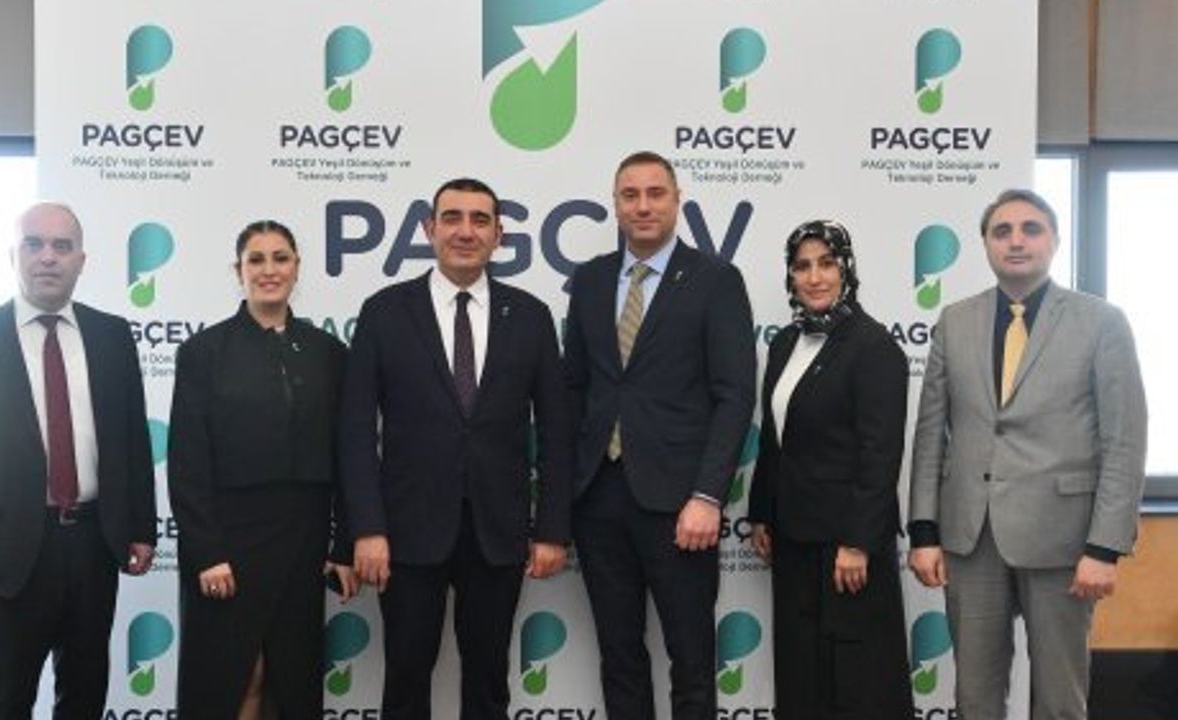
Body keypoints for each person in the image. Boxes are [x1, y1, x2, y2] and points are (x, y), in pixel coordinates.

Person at [909, 189, 1148, 720]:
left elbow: (1124, 441)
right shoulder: (955, 320)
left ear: (1055, 241)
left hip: (1064, 542)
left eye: (1031, 229)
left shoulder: (1102, 322)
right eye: (1002, 231)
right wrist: (924, 531)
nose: (1016, 241)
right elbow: (930, 434)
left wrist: (1105, 547)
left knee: (1060, 700)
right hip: (971, 539)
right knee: (974, 698)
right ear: (986, 245)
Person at [340, 178, 571, 720]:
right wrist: (366, 528)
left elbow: (556, 432)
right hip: (405, 534)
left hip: (498, 532)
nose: (466, 231)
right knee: (405, 680)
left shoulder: (530, 316)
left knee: (489, 682)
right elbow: (354, 430)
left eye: (480, 220)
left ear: (499, 235)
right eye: (452, 218)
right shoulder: (385, 311)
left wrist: (552, 529)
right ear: (429, 229)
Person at [0, 202, 156, 719]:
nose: (48, 257)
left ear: (81, 261)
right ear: (13, 256)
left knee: (85, 695)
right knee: (7, 700)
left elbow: (132, 440)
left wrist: (141, 527)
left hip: (96, 543)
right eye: (34, 244)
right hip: (10, 551)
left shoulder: (112, 335)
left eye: (61, 246)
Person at [563, 151, 756, 719]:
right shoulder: (591, 280)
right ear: (615, 204)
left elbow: (734, 395)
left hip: (681, 504)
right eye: (630, 195)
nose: (642, 206)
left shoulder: (716, 280)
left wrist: (707, 495)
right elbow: (574, 388)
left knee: (691, 659)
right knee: (619, 655)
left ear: (677, 201)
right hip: (599, 498)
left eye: (655, 193)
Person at [168, 220, 358, 719]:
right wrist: (207, 552)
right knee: (234, 676)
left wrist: (343, 545)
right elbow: (187, 462)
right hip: (228, 544)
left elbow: (349, 457)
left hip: (303, 541)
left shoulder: (329, 354)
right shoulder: (203, 353)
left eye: (280, 258)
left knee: (290, 677)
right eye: (256, 259)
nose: (269, 270)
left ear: (297, 268)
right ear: (239, 271)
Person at [746, 220, 913, 719]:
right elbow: (775, 437)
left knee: (857, 680)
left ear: (846, 268)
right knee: (802, 673)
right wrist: (761, 513)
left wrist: (858, 542)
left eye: (826, 263)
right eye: (802, 266)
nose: (814, 277)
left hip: (847, 547)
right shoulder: (785, 343)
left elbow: (880, 453)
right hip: (793, 537)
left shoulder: (873, 346)